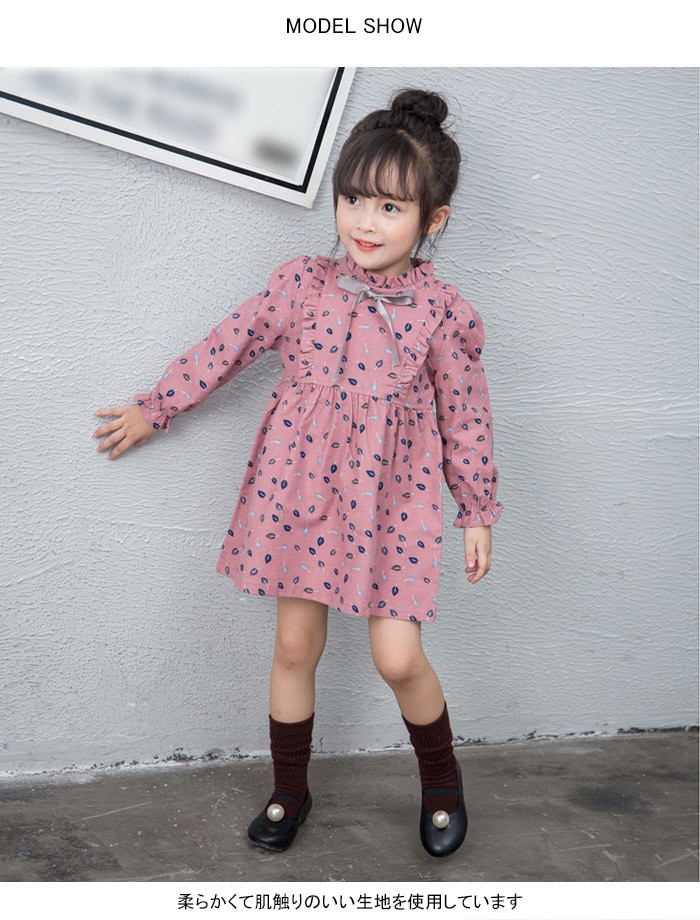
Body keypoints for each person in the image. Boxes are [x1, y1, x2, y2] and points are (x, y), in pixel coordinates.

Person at [93, 88, 504, 858]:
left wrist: (476, 509)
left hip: (393, 501)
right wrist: (158, 406)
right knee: (293, 647)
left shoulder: (441, 312)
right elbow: (229, 344)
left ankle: (443, 784)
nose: (364, 222)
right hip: (301, 493)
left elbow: (466, 413)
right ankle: (290, 790)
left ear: (432, 220)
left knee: (397, 656)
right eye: (353, 199)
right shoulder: (302, 285)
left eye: (390, 207)